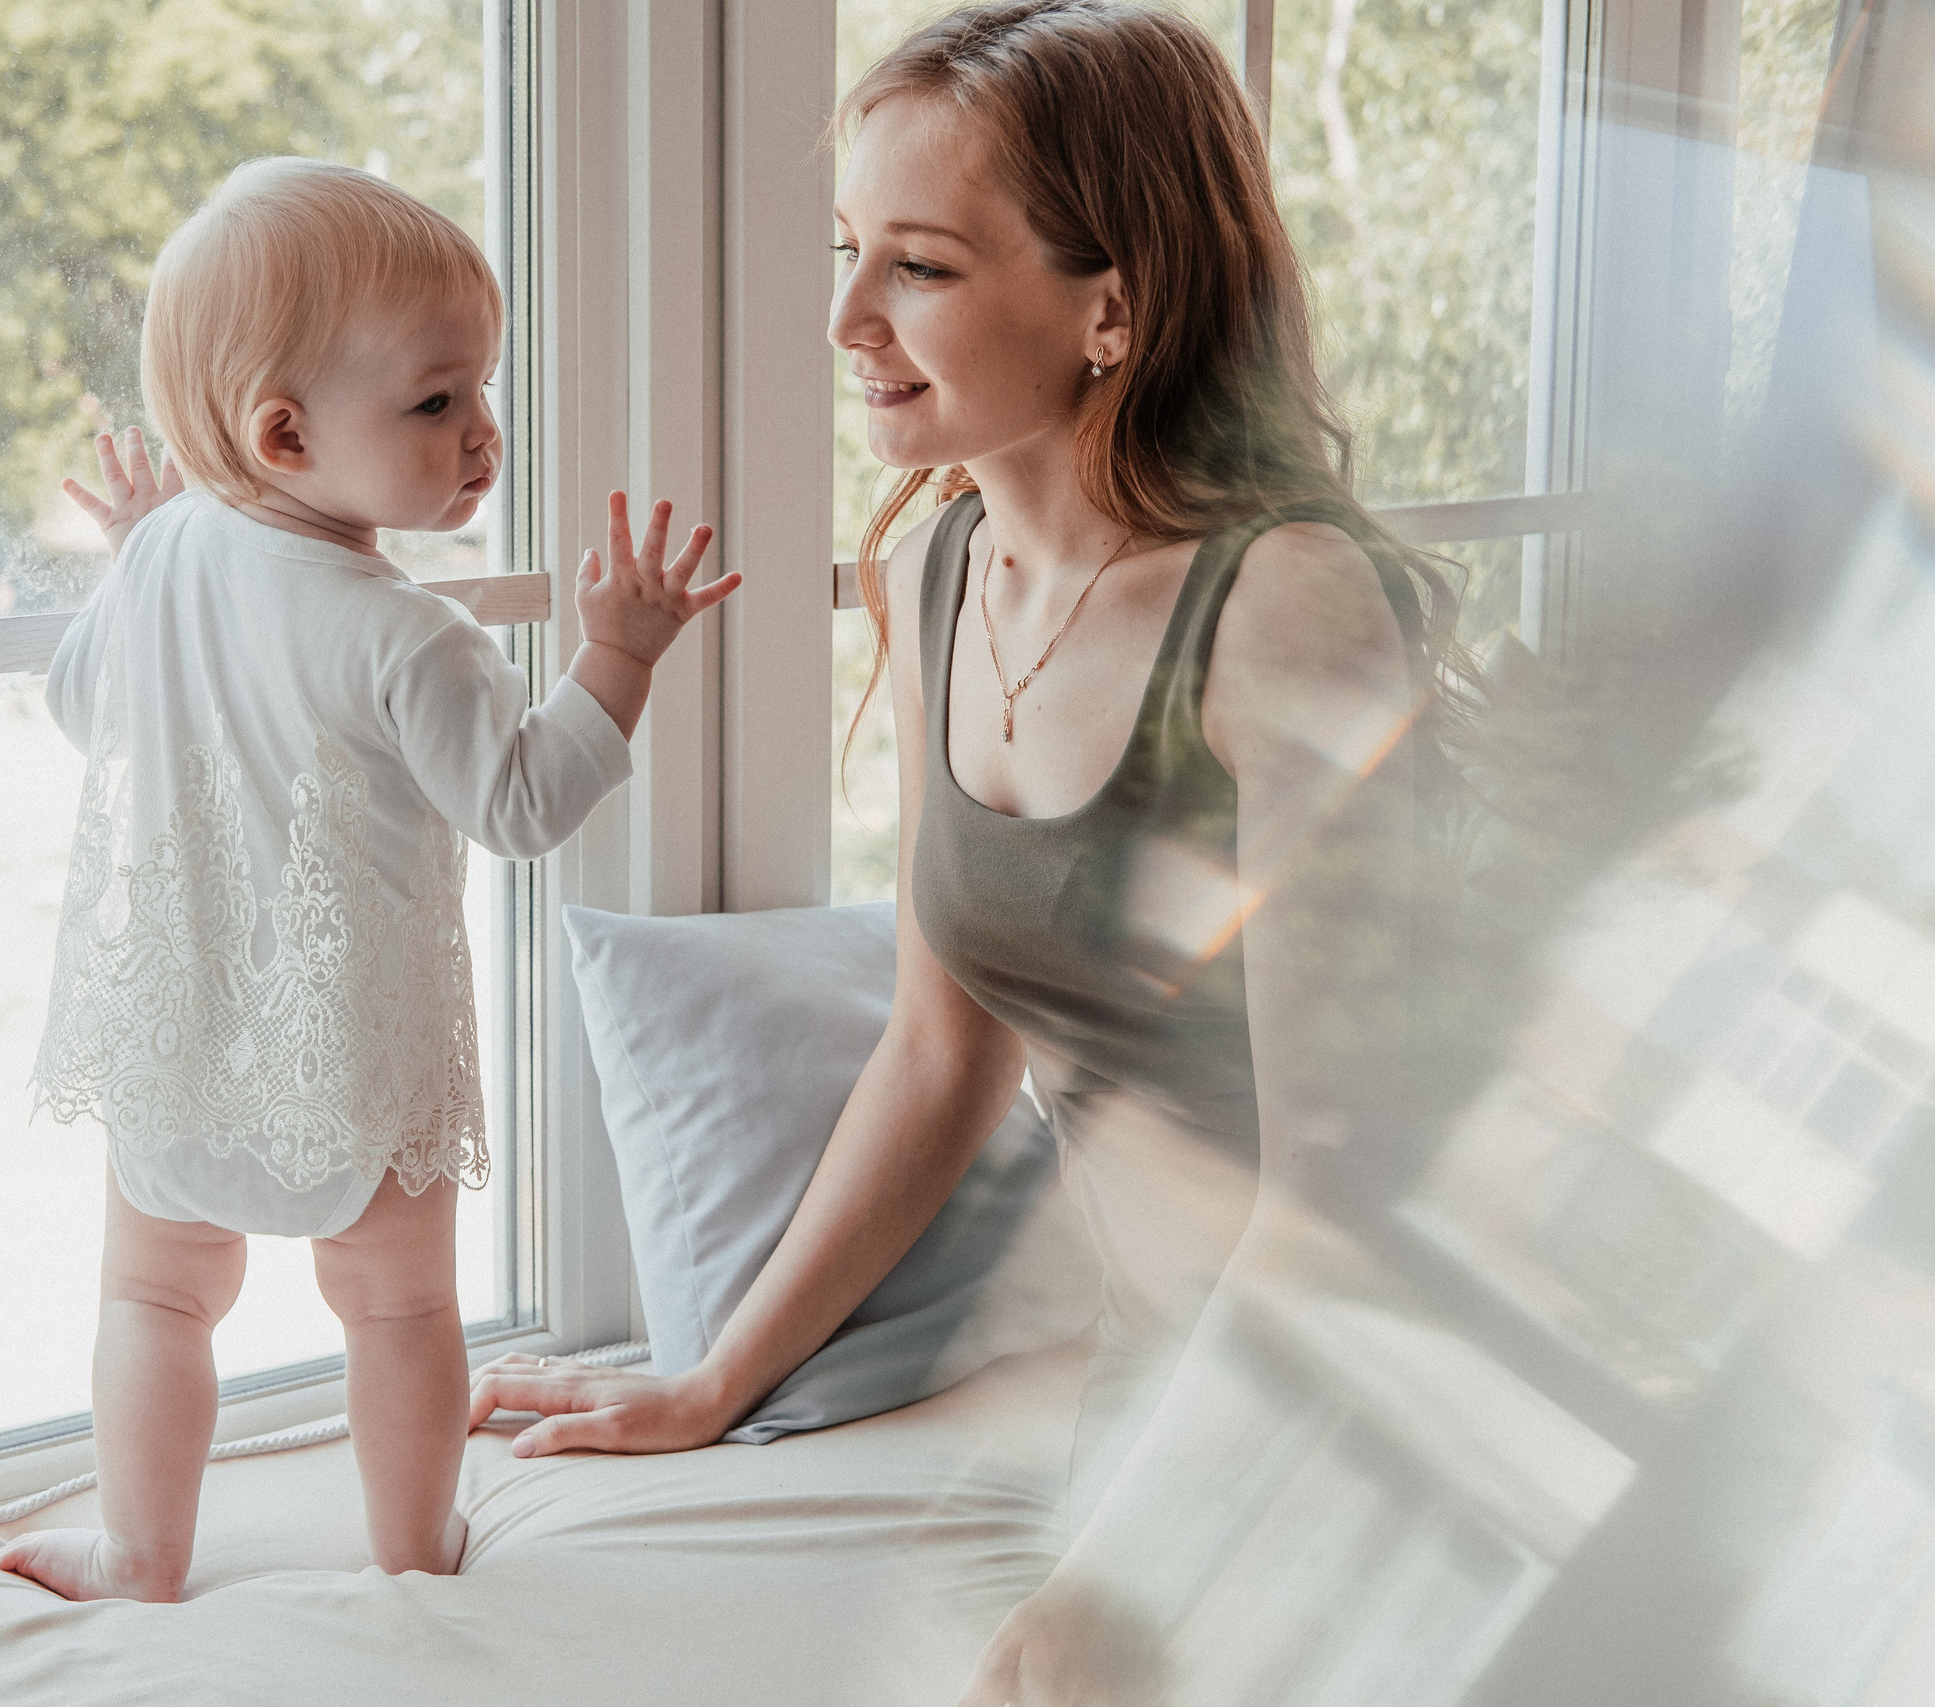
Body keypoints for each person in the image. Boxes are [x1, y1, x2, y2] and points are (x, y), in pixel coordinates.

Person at [465, 3, 1453, 1698]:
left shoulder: (1284, 608)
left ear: (1113, 304)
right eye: (849, 248)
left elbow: (1343, 1198)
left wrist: (1133, 1572)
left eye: (916, 265)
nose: (845, 317)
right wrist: (714, 1382)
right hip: (1163, 1390)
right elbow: (941, 1054)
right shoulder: (943, 571)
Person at [3, 157, 735, 1601]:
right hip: (352, 1044)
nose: (485, 434)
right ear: (282, 434)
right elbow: (523, 805)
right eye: (436, 400)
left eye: (481, 390)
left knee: (155, 1293)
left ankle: (142, 1552)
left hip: (175, 1027)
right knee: (398, 1309)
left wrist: (136, 561)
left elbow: (89, 716)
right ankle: (415, 1548)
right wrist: (621, 659)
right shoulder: (414, 636)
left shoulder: (159, 564)